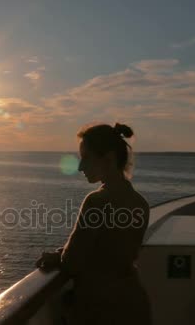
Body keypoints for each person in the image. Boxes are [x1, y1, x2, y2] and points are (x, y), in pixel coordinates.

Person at [35, 122, 151, 325]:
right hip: (134, 304)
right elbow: (108, 249)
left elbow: (72, 261)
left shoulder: (97, 201)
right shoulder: (140, 203)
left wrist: (58, 256)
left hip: (102, 309)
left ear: (109, 159)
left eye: (86, 158)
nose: (80, 167)